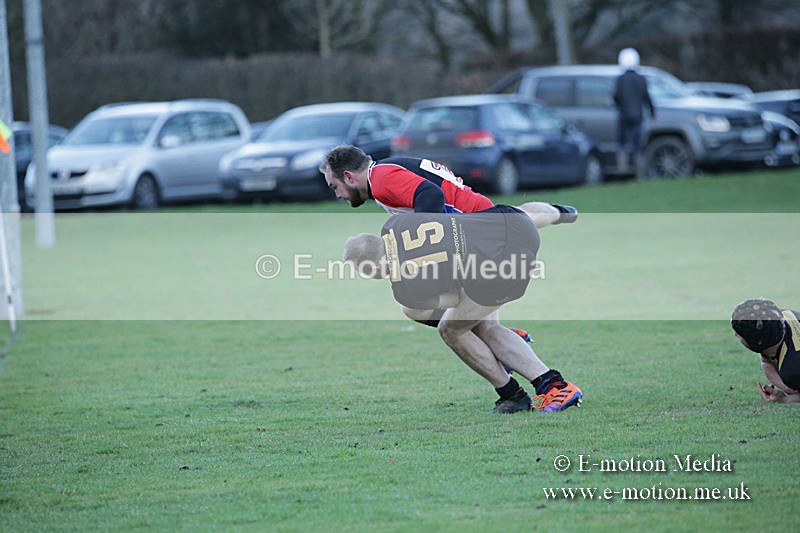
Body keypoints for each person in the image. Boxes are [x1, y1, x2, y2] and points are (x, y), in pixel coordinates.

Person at [343, 206, 583, 414]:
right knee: (475, 318)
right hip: (511, 223)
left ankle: (546, 387)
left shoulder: (405, 290)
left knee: (454, 329)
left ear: (370, 266)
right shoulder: (396, 223)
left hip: (502, 266)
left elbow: (458, 301)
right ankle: (559, 212)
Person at [319, 144, 578, 223]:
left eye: (335, 187)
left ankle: (560, 213)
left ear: (350, 177)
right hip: (474, 215)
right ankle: (561, 213)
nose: (338, 195)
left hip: (476, 220)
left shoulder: (382, 179)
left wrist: (422, 238)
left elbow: (430, 194)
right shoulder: (383, 173)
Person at [731, 298, 800, 403]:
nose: (735, 335)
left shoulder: (792, 370)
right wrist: (786, 388)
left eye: (739, 335)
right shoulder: (788, 315)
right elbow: (766, 359)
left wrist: (786, 398)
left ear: (756, 343)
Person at [613, 47, 655, 176]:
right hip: (638, 116)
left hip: (623, 117)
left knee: (622, 144)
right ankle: (640, 172)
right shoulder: (641, 79)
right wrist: (652, 112)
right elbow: (647, 97)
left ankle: (623, 169)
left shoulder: (620, 79)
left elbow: (615, 97)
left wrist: (620, 106)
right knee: (638, 146)